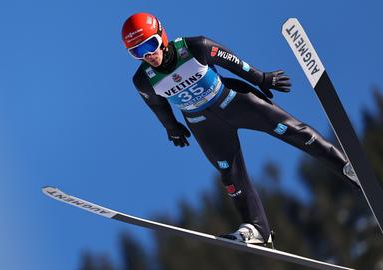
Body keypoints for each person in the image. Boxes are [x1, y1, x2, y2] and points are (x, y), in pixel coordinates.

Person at [121, 12, 360, 245]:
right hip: (204, 125)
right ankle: (257, 228)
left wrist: (261, 79)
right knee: (230, 174)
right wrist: (171, 127)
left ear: (162, 36)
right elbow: (157, 105)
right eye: (137, 52)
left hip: (235, 101)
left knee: (293, 131)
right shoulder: (143, 79)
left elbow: (232, 61)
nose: (148, 54)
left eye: (150, 45)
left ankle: (347, 168)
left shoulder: (195, 47)